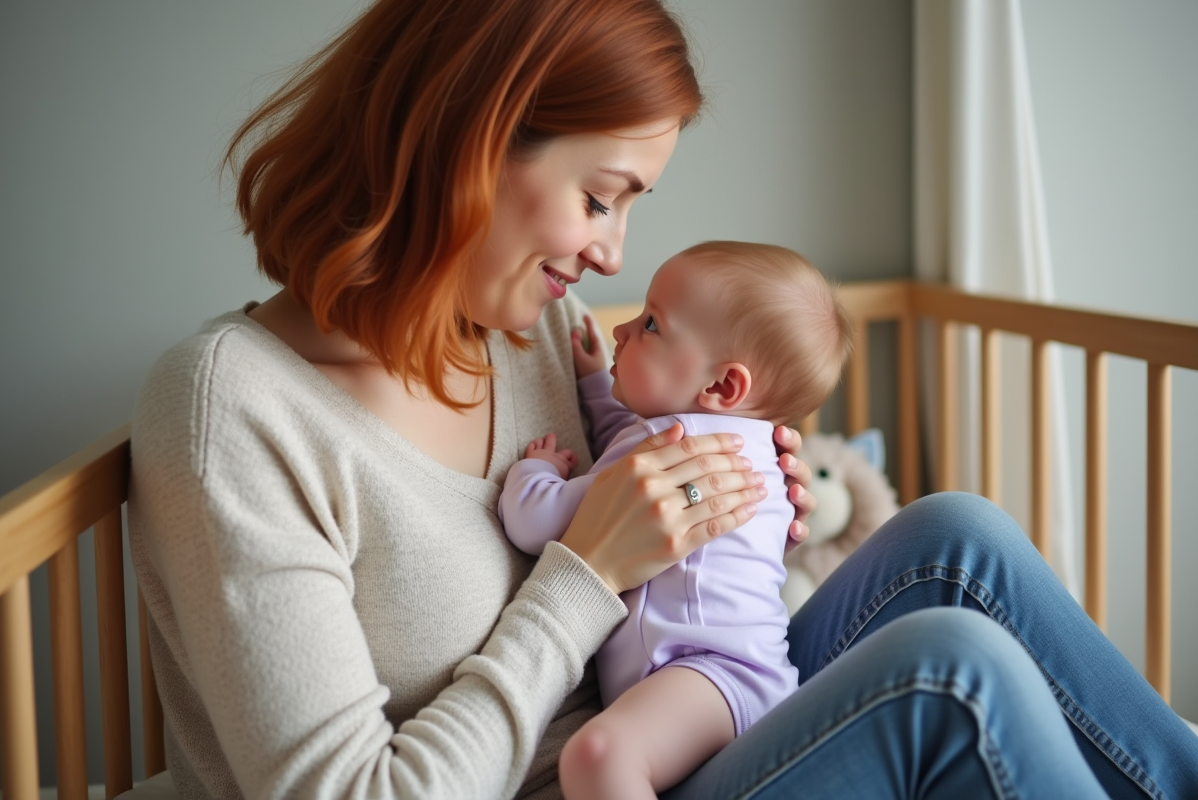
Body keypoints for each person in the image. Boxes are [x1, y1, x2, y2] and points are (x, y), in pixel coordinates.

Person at [126, 0, 1198, 798]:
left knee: (952, 537)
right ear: (470, 142)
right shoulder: (237, 410)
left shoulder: (531, 325)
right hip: (600, 774)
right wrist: (583, 573)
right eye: (598, 198)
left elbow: (648, 487)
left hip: (665, 724)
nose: (609, 252)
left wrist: (735, 500)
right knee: (952, 674)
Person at [497, 241, 852, 798]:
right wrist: (596, 381)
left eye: (652, 324)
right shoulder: (754, 451)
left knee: (597, 755)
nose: (621, 331)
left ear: (720, 386)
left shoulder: (663, 453)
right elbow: (628, 424)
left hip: (708, 674)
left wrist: (533, 472)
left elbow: (532, 521)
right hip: (733, 679)